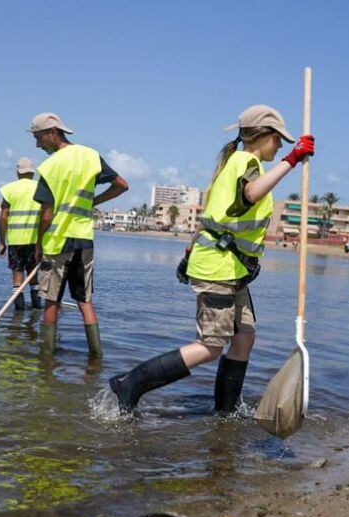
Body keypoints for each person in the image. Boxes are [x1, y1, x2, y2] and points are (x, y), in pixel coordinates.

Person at [108, 104, 315, 412]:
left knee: (244, 337)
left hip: (232, 268)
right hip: (219, 267)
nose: (281, 145)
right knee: (210, 346)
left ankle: (226, 412)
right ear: (262, 135)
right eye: (278, 139)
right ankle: (131, 383)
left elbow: (214, 217)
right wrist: (292, 160)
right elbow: (252, 194)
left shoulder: (237, 163)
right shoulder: (246, 161)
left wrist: (189, 253)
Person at [28, 112, 129, 358]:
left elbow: (46, 215)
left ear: (53, 132)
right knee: (85, 301)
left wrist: (39, 245)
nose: (37, 144)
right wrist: (95, 200)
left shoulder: (50, 166)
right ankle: (96, 357)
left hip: (57, 241)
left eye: (38, 137)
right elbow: (122, 185)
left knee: (51, 301)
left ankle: (46, 358)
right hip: (84, 240)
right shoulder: (91, 156)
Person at [0, 157, 42, 310]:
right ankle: (36, 311)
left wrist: (2, 242)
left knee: (18, 277)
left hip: (15, 240)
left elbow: (4, 218)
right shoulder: (41, 188)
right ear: (32, 173)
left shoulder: (9, 189)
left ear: (18, 172)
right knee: (34, 277)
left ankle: (18, 313)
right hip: (36, 241)